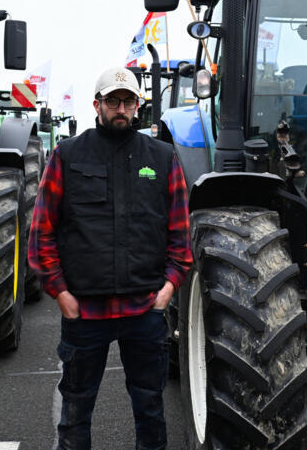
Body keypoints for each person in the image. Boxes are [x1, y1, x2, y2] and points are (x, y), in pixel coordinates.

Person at [28, 66, 191, 450]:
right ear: (97, 105)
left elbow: (181, 232)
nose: (121, 108)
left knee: (150, 408)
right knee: (76, 411)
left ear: (138, 106)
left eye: (128, 101)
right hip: (85, 313)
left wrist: (169, 287)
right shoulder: (68, 155)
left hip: (144, 311)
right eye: (113, 101)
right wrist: (60, 293)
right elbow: (42, 230)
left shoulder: (163, 157)